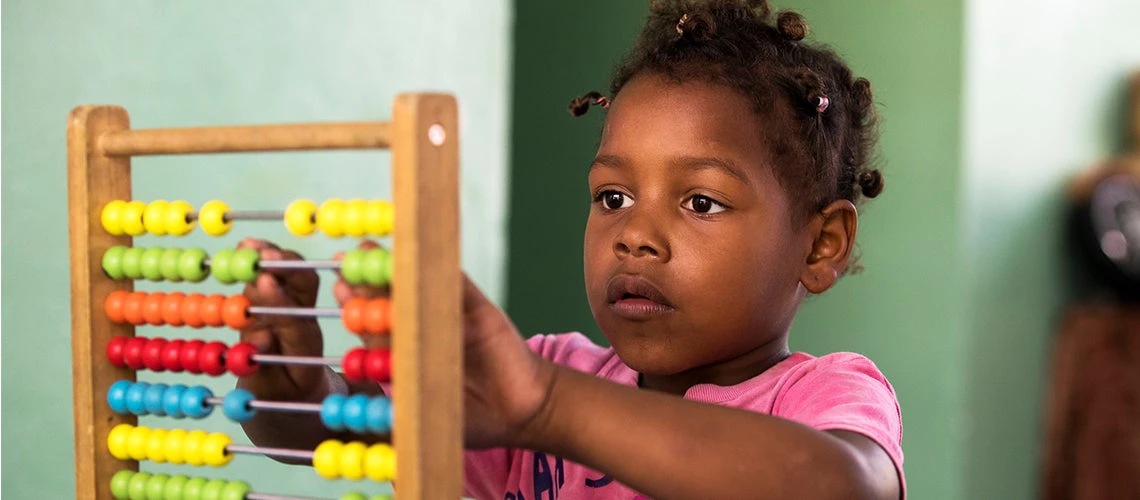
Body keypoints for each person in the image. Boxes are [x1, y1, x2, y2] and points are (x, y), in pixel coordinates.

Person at [237, 1, 903, 498]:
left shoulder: (821, 396)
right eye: (613, 197)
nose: (634, 235)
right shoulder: (541, 375)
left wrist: (548, 409)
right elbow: (337, 433)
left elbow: (843, 487)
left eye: (701, 202)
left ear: (821, 245)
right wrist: (293, 390)